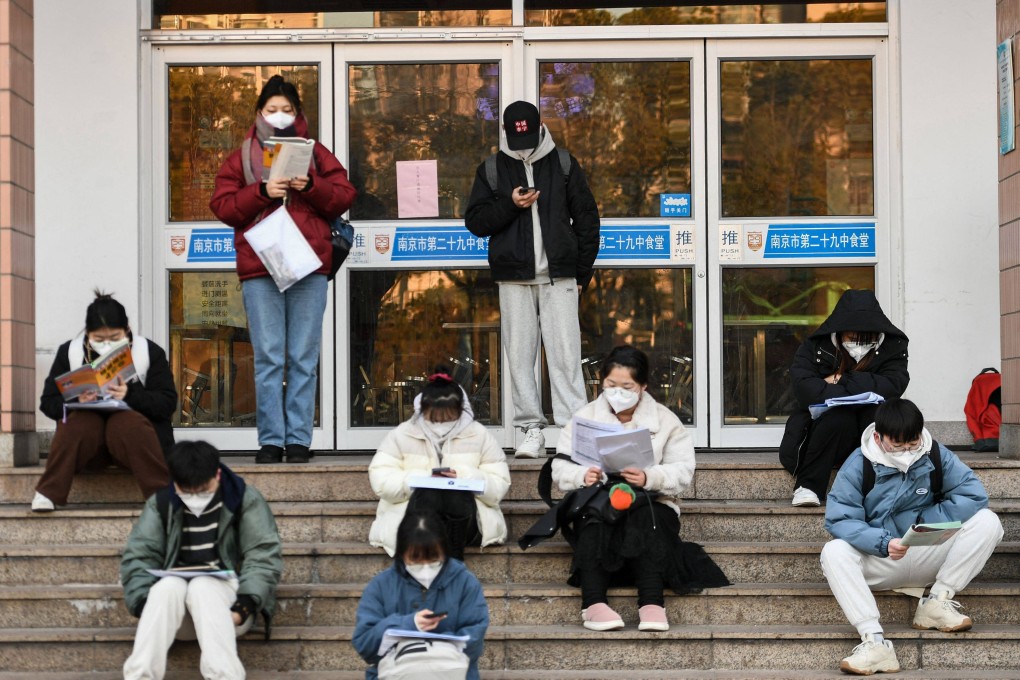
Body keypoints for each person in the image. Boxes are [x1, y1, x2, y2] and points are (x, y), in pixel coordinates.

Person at [210, 74, 357, 464]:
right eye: (272, 109)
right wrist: (261, 191)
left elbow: (344, 194)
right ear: (259, 112)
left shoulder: (317, 153)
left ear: (298, 114)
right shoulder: (242, 155)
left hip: (309, 266)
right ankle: (271, 440)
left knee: (303, 357)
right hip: (261, 266)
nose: (278, 116)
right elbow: (222, 205)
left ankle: (298, 441)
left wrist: (309, 186)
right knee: (270, 355)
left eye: (286, 110)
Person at [552, 345, 729, 632]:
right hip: (599, 500)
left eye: (627, 386)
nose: (617, 392)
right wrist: (583, 475)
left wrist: (649, 477)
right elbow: (560, 467)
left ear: (643, 386)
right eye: (611, 385)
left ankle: (652, 604)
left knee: (649, 519)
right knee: (593, 518)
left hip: (650, 500)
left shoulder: (665, 420)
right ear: (602, 381)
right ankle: (593, 604)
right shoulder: (584, 418)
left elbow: (683, 470)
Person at [820, 398, 1003, 675]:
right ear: (879, 438)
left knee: (988, 521)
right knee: (833, 552)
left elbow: (973, 494)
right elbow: (840, 518)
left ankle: (938, 601)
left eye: (912, 442)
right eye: (898, 445)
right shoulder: (859, 463)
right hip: (882, 559)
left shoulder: (935, 454)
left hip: (926, 550)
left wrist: (924, 526)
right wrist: (882, 542)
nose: (907, 450)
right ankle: (875, 642)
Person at [465, 100, 600, 458]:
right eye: (514, 138)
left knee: (566, 355)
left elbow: (588, 221)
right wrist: (511, 204)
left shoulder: (564, 163)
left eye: (527, 136)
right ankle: (530, 431)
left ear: (540, 126)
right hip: (514, 277)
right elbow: (476, 223)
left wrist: (581, 273)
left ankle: (574, 433)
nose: (521, 145)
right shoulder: (493, 168)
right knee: (520, 356)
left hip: (560, 277)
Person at [121, 440, 283, 680]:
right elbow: (139, 555)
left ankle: (224, 676)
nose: (195, 495)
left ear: (217, 474)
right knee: (168, 586)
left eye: (203, 488)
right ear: (175, 482)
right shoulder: (162, 503)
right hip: (175, 616)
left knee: (202, 585)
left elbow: (263, 555)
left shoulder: (243, 500)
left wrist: (242, 609)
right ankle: (140, 676)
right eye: (187, 490)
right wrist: (149, 609)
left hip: (230, 609)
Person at [33, 291, 174, 512]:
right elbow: (48, 402)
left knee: (125, 423)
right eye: (99, 340)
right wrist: (75, 400)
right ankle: (47, 492)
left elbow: (167, 403)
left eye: (115, 338)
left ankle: (161, 496)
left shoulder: (148, 352)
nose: (106, 344)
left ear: (127, 331)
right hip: (90, 451)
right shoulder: (70, 352)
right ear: (88, 334)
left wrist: (130, 394)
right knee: (80, 422)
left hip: (137, 449)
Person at [779, 289, 909, 507]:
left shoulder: (892, 346)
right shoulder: (815, 346)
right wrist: (863, 385)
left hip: (868, 424)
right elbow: (804, 388)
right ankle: (808, 486)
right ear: (839, 331)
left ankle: (878, 488)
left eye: (866, 338)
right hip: (826, 431)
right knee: (839, 417)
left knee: (875, 415)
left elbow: (894, 385)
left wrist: (840, 379)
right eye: (853, 337)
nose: (859, 344)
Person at [368, 371, 511, 560]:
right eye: (435, 416)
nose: (442, 421)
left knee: (455, 496)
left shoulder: (479, 435)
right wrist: (420, 479)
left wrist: (464, 476)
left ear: (461, 410)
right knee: (428, 494)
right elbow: (381, 481)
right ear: (423, 409)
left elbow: (499, 484)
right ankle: (435, 565)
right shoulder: (402, 434)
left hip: (467, 521)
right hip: (413, 521)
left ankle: (450, 564)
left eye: (448, 415)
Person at [353, 510, 489, 680]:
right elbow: (364, 644)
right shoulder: (381, 585)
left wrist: (437, 650)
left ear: (445, 552)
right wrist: (408, 624)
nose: (425, 567)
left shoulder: (464, 582)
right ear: (402, 554)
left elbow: (474, 637)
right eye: (415, 560)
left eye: (433, 559)